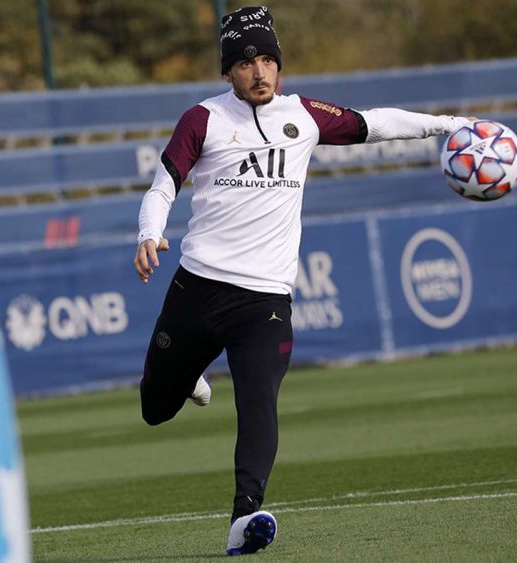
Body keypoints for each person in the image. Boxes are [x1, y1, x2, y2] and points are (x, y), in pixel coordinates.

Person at [133, 5, 472, 556]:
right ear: (228, 72)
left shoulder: (303, 115)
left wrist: (446, 125)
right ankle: (190, 373)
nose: (259, 72)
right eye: (246, 63)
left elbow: (375, 123)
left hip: (266, 298)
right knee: (155, 408)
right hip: (199, 288)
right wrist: (149, 232)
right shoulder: (203, 118)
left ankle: (245, 520)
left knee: (259, 400)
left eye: (268, 60)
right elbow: (163, 184)